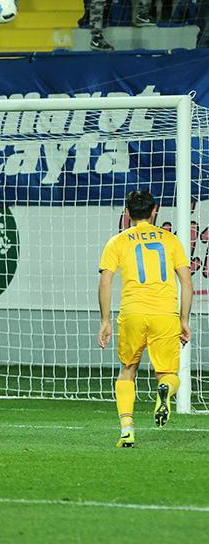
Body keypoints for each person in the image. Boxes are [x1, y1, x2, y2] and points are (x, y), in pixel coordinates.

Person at [98, 189, 192, 448]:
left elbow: (105, 281)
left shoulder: (117, 241)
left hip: (132, 313)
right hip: (165, 313)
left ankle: (127, 430)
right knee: (167, 373)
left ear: (127, 213)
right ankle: (165, 391)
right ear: (155, 211)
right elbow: (186, 282)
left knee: (128, 370)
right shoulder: (170, 240)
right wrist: (184, 320)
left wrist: (105, 320)